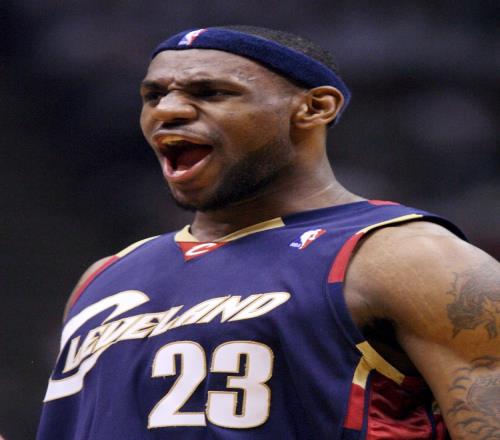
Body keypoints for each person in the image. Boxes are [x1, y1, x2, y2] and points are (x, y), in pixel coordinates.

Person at [37, 26, 500, 439]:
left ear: (314, 107)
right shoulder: (104, 278)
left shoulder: (409, 257)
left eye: (211, 92)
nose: (168, 110)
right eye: (153, 95)